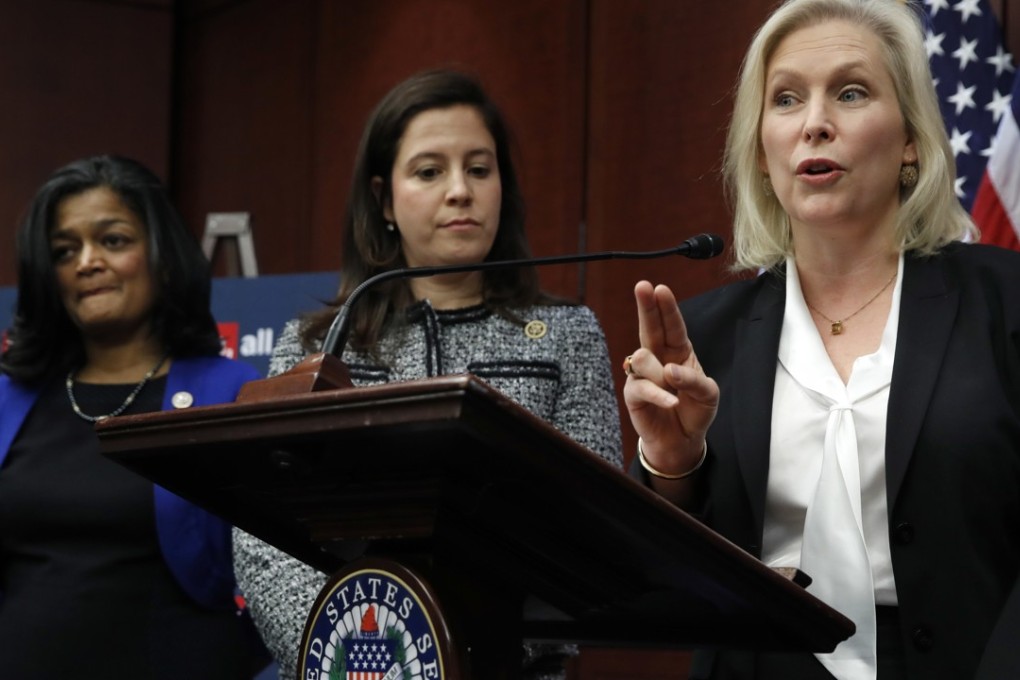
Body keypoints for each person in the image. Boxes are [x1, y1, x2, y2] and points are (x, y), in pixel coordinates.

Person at [620, 1, 1020, 679]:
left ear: (911, 141)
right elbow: (661, 586)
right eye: (786, 100)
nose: (815, 124)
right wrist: (673, 465)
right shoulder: (702, 338)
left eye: (851, 92)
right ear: (762, 149)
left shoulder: (1003, 303)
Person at [232, 69, 623, 680]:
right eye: (429, 171)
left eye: (479, 168)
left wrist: (460, 656)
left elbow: (587, 537)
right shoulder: (312, 345)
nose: (460, 191)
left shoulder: (569, 334)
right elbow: (266, 546)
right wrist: (357, 656)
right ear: (385, 200)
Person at [0, 155, 266, 677]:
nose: (86, 261)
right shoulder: (8, 399)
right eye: (64, 250)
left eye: (113, 240)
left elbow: (279, 573)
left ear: (163, 257)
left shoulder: (231, 394)